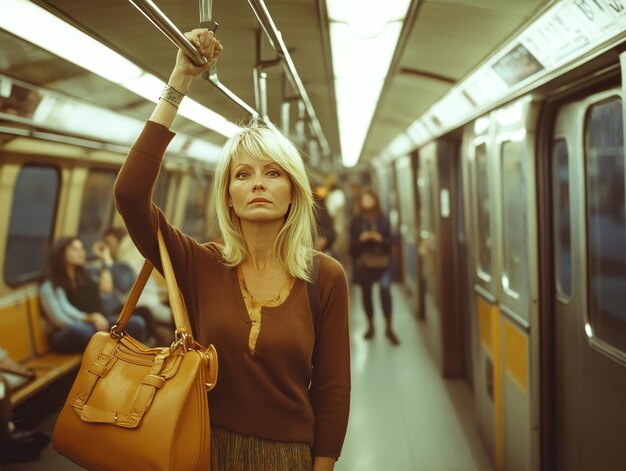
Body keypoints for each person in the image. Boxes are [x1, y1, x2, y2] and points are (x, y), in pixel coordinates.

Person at [113, 29, 350, 470]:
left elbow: (333, 386)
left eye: (273, 173)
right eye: (243, 175)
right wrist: (178, 81)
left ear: (294, 192)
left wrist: (323, 465)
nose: (258, 182)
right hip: (201, 450)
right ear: (228, 196)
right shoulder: (198, 264)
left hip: (289, 457)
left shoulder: (325, 276)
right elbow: (129, 195)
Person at [39, 236, 146, 353]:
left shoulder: (87, 275)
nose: (81, 253)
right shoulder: (50, 286)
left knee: (137, 323)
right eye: (75, 249)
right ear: (61, 254)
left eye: (82, 249)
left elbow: (106, 289)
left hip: (95, 323)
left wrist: (105, 258)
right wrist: (89, 319)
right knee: (82, 331)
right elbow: (60, 320)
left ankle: (133, 360)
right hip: (69, 331)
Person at [350, 187, 400, 345]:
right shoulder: (356, 220)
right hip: (364, 262)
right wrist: (361, 239)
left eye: (369, 199)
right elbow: (351, 244)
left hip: (382, 261)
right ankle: (370, 325)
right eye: (364, 200)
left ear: (375, 201)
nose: (367, 202)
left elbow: (392, 240)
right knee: (366, 293)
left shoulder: (383, 219)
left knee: (385, 290)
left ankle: (389, 327)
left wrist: (380, 239)